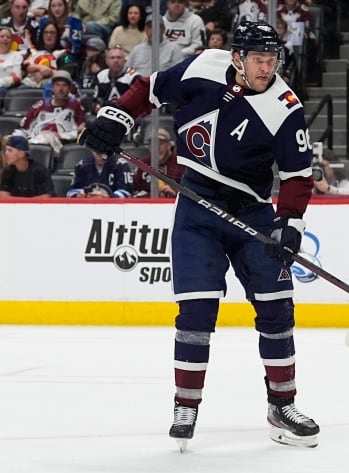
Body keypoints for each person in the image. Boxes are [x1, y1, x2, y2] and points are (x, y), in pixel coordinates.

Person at [78, 21, 320, 448]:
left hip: (252, 212)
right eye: (259, 59)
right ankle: (185, 405)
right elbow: (150, 88)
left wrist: (289, 224)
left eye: (272, 60)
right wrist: (115, 117)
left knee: (277, 310)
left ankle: (282, 404)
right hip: (197, 206)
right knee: (195, 314)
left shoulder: (285, 106)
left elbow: (299, 175)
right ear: (237, 58)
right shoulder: (204, 66)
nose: (267, 68)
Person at [16, 70, 85, 154]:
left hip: (60, 143)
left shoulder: (75, 105)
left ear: (69, 88)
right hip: (35, 138)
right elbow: (24, 127)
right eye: (57, 85)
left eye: (64, 85)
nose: (61, 89)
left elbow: (81, 128)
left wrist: (63, 134)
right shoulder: (40, 105)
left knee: (45, 138)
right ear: (52, 87)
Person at [131, 128, 182, 198]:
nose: (156, 147)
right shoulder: (143, 163)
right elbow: (133, 190)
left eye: (160, 143)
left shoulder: (180, 164)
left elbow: (189, 194)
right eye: (153, 144)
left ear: (169, 145)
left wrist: (175, 194)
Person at [67, 150, 134, 198]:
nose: (100, 156)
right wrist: (79, 195)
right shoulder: (82, 165)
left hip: (115, 209)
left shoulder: (121, 164)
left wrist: (110, 197)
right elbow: (71, 192)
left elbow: (127, 192)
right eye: (97, 152)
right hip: (87, 208)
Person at [0, 26, 24, 105]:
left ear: (12, 41)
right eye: (2, 36)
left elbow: (16, 77)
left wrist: (1, 83)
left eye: (8, 37)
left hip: (6, 89)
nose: (5, 39)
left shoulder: (16, 56)